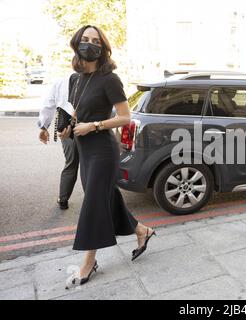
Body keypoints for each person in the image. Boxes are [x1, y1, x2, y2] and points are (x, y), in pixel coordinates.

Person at [60, 25, 156, 287]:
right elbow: (78, 112)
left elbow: (125, 116)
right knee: (107, 197)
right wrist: (68, 128)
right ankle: (143, 231)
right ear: (76, 43)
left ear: (102, 48)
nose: (90, 44)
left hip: (102, 149)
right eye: (85, 39)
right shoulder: (74, 79)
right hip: (83, 147)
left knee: (93, 202)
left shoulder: (109, 79)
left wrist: (94, 126)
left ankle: (89, 263)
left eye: (96, 41)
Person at [38, 76, 78, 210]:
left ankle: (63, 199)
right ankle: (94, 201)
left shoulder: (60, 81)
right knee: (89, 165)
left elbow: (49, 104)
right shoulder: (94, 77)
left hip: (65, 125)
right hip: (88, 125)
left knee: (71, 163)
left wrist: (44, 127)